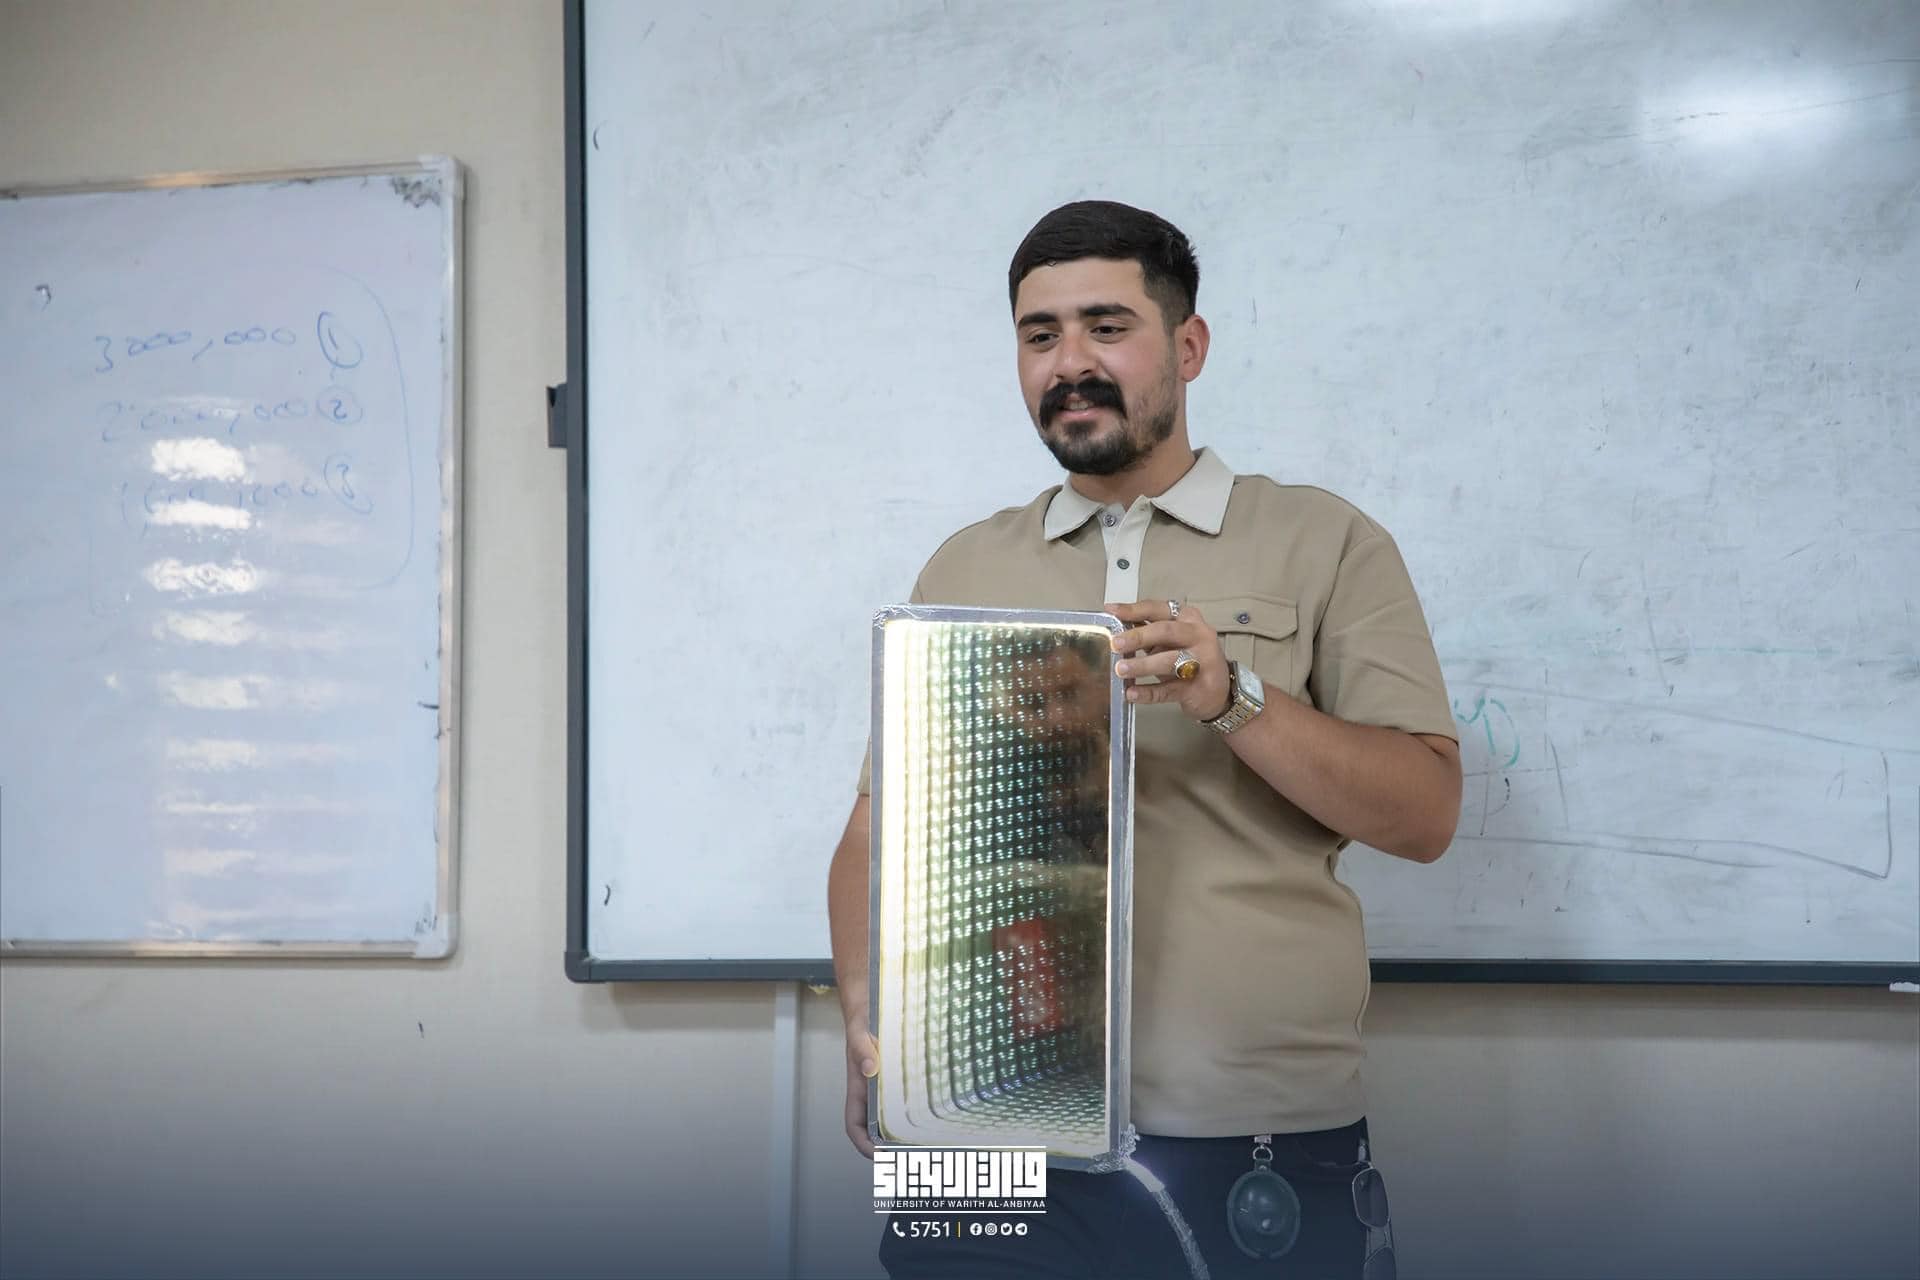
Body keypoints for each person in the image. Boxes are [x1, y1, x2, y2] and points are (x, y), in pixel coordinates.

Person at [826, 200, 1462, 1279]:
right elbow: (877, 832)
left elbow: (1426, 814)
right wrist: (868, 1014)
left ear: (1189, 345)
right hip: (981, 1124)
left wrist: (1233, 698)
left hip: (1251, 1128)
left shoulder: (1326, 540)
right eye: (1040, 335)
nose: (1069, 363)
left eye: (1107, 327)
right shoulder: (963, 566)